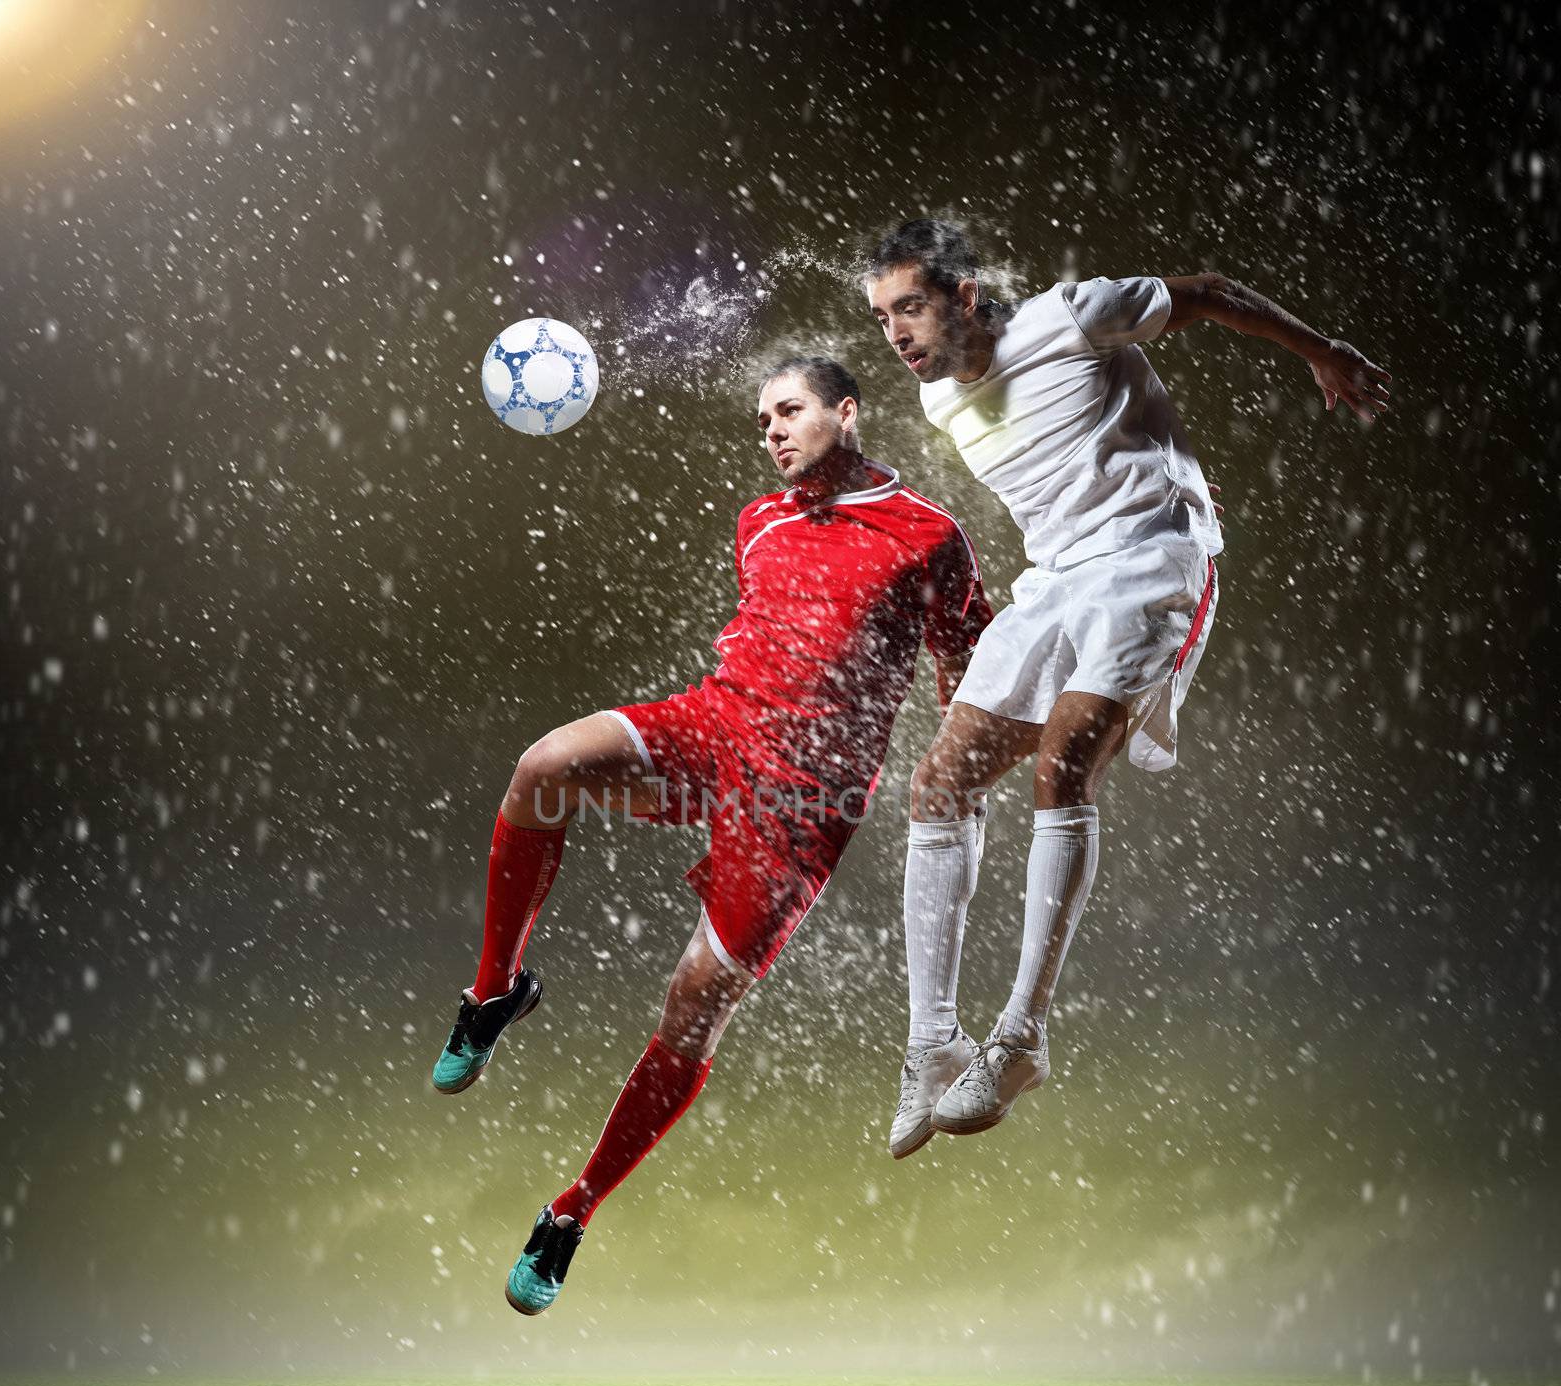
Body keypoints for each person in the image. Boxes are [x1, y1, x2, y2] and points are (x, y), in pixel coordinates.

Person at [431, 355, 992, 1313]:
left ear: (845, 413)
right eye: (761, 418)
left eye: (790, 411)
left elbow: (970, 668)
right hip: (717, 727)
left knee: (693, 1005)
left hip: (803, 807)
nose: (772, 431)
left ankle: (572, 1210)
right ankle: (496, 991)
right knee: (543, 768)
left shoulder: (929, 537)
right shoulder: (759, 521)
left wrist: (965, 764)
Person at [864, 218, 1391, 1148]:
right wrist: (1168, 461)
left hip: (1151, 562)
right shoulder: (946, 402)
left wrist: (1324, 352)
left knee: (1062, 769)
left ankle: (1020, 1036)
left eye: (910, 307)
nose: (896, 333)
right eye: (882, 319)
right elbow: (1076, 459)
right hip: (1056, 579)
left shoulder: (1073, 316)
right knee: (937, 787)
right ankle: (933, 1041)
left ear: (965, 295)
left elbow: (1213, 291)